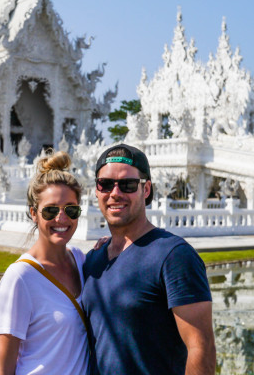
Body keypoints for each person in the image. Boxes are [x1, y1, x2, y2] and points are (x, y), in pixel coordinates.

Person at [82, 144, 216, 374]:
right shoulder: (93, 260)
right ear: (96, 190)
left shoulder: (174, 256)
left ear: (146, 190)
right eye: (105, 184)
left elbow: (200, 347)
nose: (115, 193)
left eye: (128, 185)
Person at [0, 150, 89, 375]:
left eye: (71, 209)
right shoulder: (19, 278)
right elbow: (2, 369)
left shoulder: (81, 260)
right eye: (50, 210)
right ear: (33, 213)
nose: (61, 218)